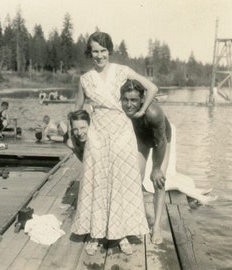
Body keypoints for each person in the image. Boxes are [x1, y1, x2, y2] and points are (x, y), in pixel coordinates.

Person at [72, 31, 158, 256]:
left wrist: (139, 112)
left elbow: (152, 88)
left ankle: (121, 235)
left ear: (109, 51)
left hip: (121, 132)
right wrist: (78, 132)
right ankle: (95, 235)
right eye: (94, 51)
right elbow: (77, 110)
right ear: (89, 53)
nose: (99, 56)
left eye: (103, 51)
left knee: (121, 181)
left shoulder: (123, 72)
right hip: (98, 134)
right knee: (97, 181)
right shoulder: (85, 79)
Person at [120, 79, 217, 244]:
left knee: (158, 180)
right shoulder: (120, 110)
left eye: (134, 100)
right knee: (134, 177)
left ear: (143, 99)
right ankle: (134, 220)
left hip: (162, 138)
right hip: (141, 138)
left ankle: (156, 226)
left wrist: (157, 168)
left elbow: (161, 143)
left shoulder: (154, 112)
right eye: (126, 100)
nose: (129, 104)